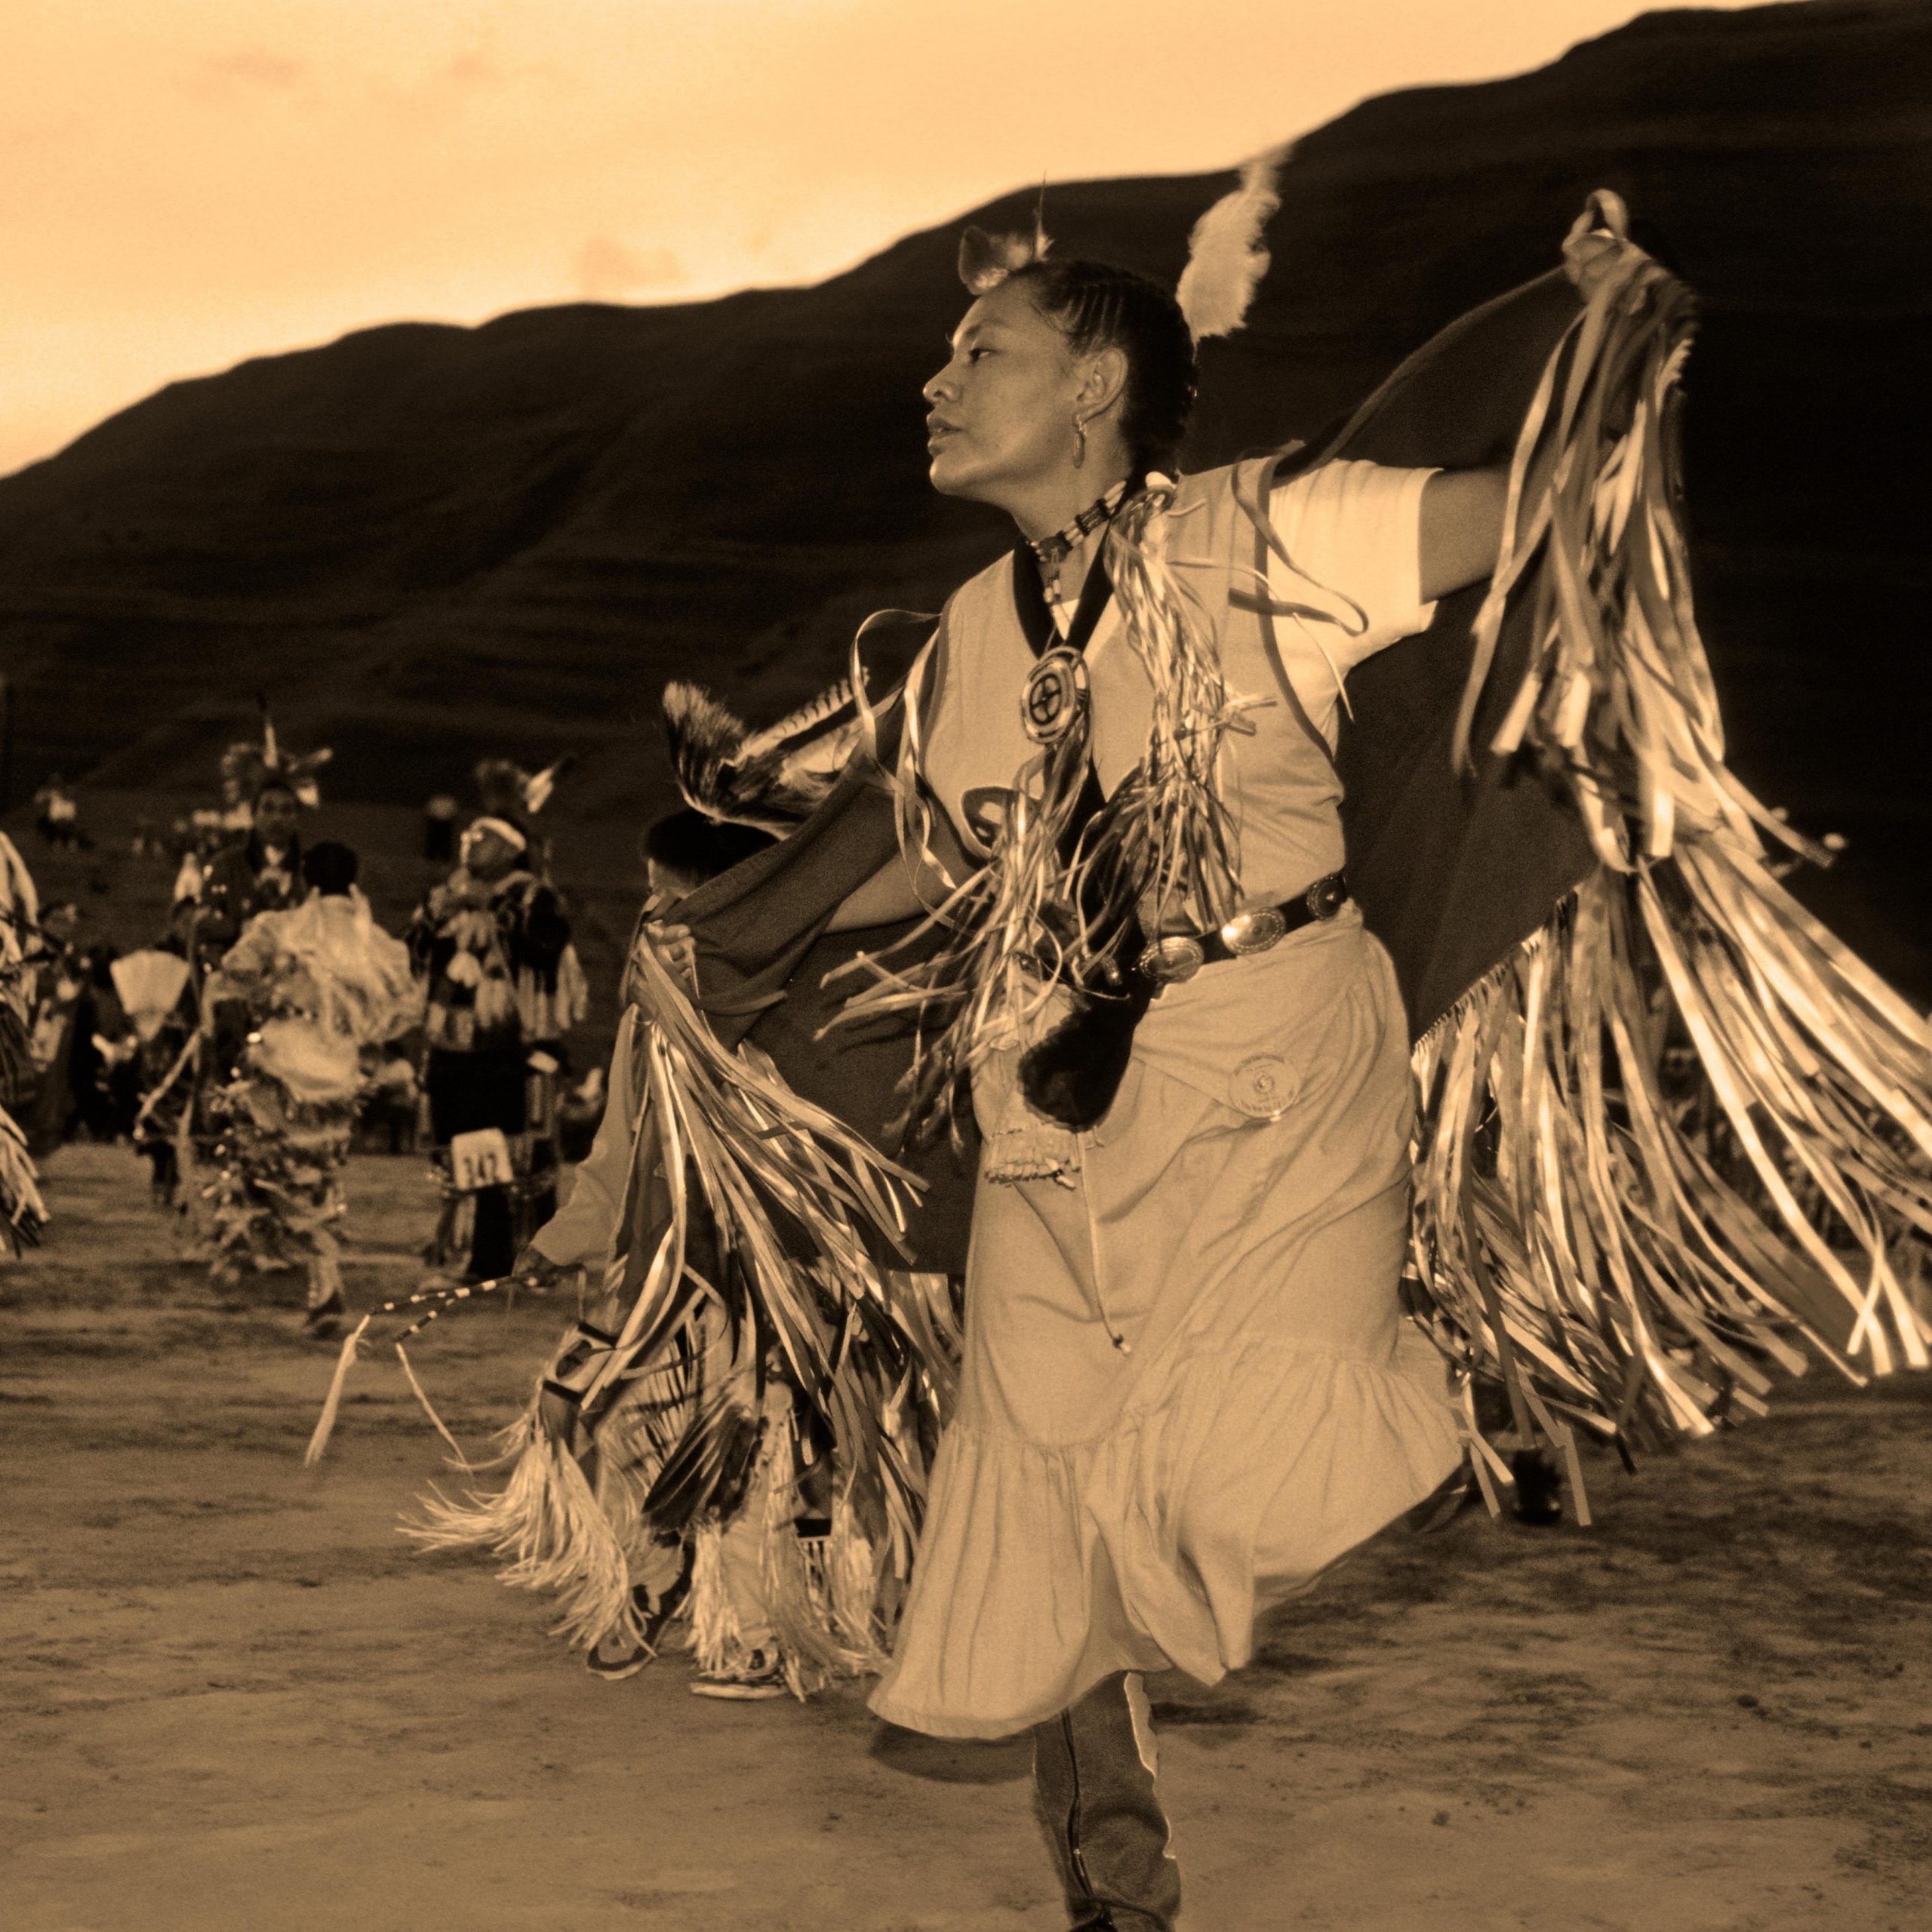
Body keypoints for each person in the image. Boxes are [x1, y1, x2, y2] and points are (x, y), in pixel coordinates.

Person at [201, 840, 420, 1334]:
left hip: (281, 1061)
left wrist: (267, 994)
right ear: (355, 881)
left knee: (258, 1160)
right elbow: (407, 1007)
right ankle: (314, 1274)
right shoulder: (379, 943)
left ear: (306, 880)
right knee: (313, 1174)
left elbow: (232, 973)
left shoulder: (278, 928)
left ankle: (253, 1250)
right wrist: (358, 1029)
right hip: (338, 1075)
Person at [408, 763, 585, 1281]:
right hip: (455, 1049)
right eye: (466, 835)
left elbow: (547, 955)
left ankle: (534, 1257)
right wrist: (436, 918)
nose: (468, 841)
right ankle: (484, 1255)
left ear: (508, 849)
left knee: (523, 1155)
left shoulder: (534, 896)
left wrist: (496, 912)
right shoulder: (447, 895)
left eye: (481, 836)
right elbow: (417, 956)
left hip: (511, 1048)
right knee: (471, 1152)